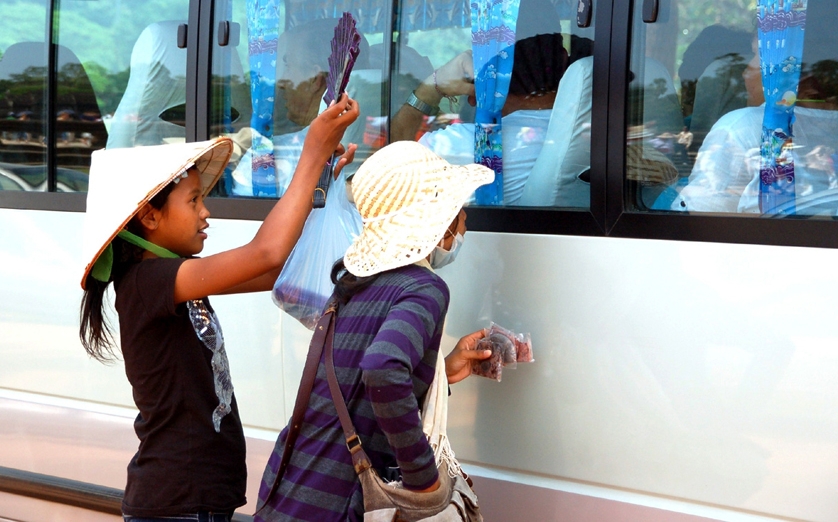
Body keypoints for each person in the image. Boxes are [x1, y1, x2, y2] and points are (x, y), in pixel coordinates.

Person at [78, 94, 359, 520]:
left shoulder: (176, 278)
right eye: (193, 200)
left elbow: (276, 269)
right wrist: (311, 155)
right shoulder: (148, 283)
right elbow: (265, 253)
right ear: (149, 217)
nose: (205, 212)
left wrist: (319, 186)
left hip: (200, 499)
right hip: (176, 504)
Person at [254, 141, 494, 521]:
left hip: (292, 488)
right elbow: (382, 369)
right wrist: (423, 480)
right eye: (460, 210)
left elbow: (357, 382)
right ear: (443, 222)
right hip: (337, 504)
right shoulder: (423, 288)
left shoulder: (355, 282)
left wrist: (440, 372)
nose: (464, 221)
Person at [671, 1, 838, 214]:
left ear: (796, 76)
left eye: (756, 55)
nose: (744, 72)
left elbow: (693, 217)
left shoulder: (742, 128)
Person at [229, 18, 371, 197]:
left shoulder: (269, 160)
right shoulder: (378, 151)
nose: (281, 83)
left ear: (314, 78)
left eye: (288, 66)